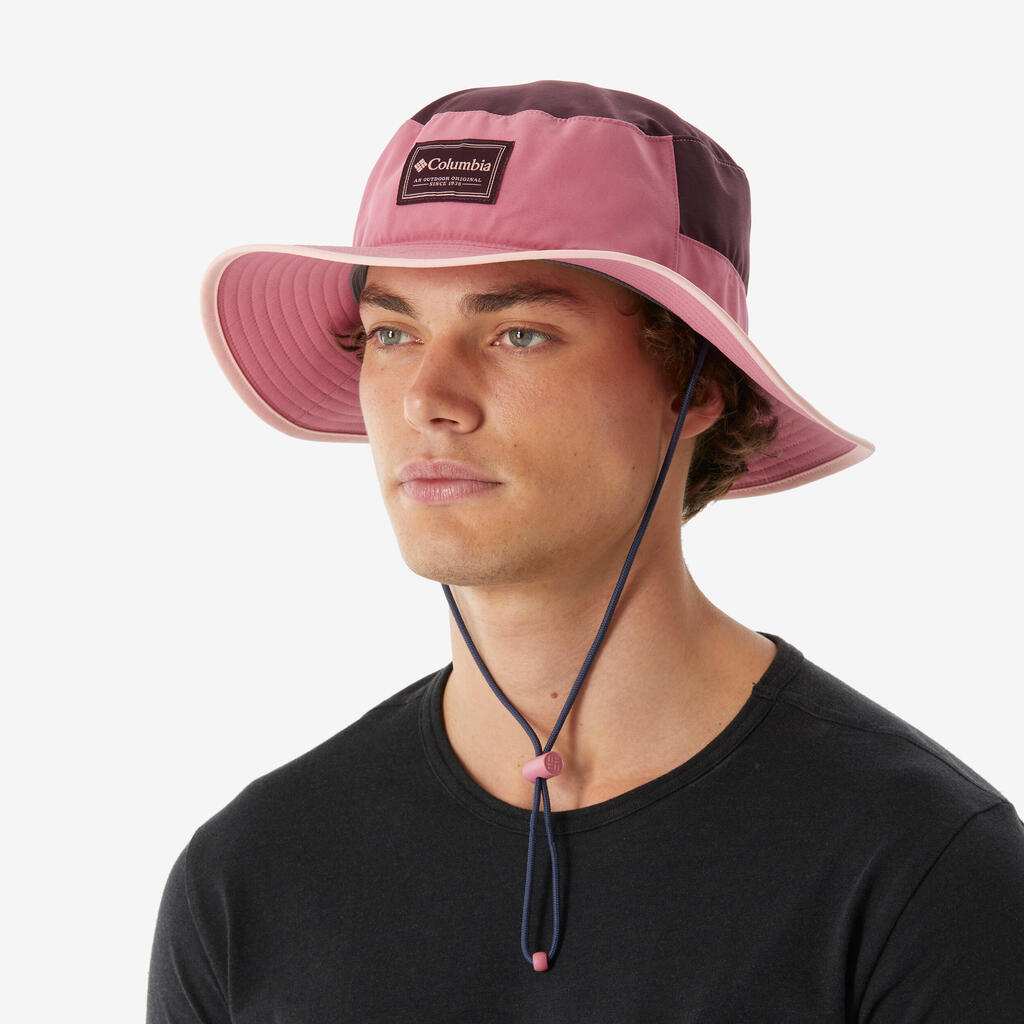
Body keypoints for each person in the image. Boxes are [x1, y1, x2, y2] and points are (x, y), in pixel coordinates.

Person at [147, 80, 1024, 1021]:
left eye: (518, 333)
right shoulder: (249, 881)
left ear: (697, 383)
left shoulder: (918, 868)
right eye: (392, 333)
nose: (427, 399)